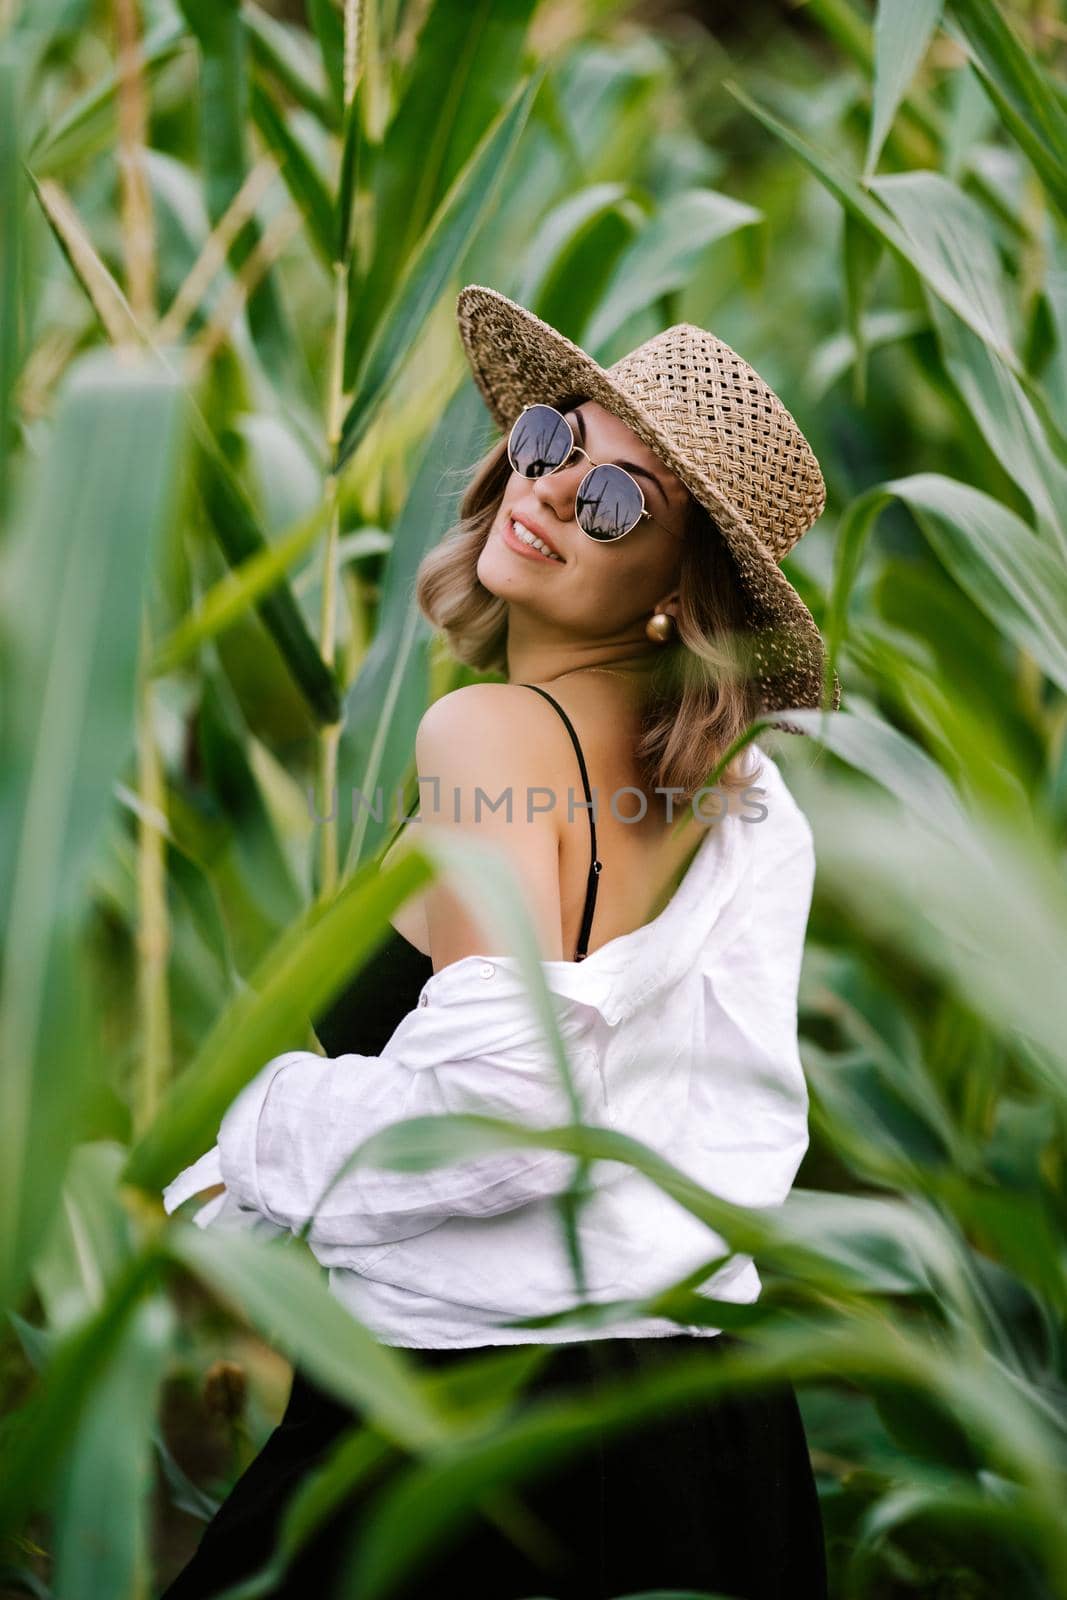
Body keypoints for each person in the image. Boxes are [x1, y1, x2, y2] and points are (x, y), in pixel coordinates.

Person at [159, 284, 839, 1599]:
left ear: (677, 589)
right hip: (707, 1435)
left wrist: (258, 1133)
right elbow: (715, 1124)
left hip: (472, 1435)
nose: (554, 488)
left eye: (621, 501)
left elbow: (497, 1110)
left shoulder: (486, 737)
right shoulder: (752, 803)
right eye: (551, 441)